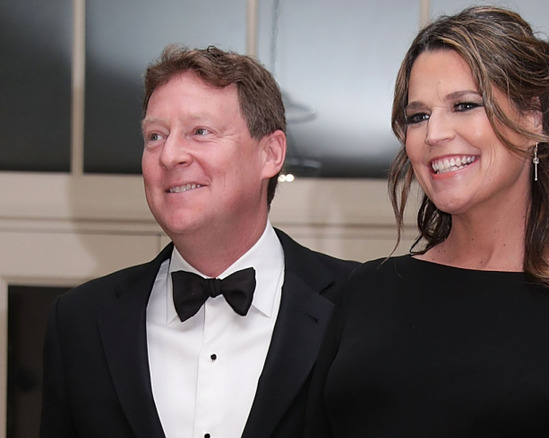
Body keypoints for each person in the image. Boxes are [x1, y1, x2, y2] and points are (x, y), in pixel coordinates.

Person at [305, 6, 549, 437]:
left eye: (464, 105)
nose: (434, 134)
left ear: (532, 119)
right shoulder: (367, 291)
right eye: (418, 116)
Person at [39, 45, 357, 438]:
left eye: (200, 132)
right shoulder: (78, 323)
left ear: (270, 153)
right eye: (155, 136)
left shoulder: (359, 306)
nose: (169, 155)